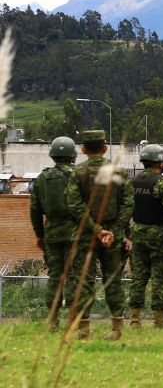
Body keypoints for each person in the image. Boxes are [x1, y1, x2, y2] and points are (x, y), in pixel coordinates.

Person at [66, 129, 134, 340]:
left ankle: (83, 329)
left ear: (83, 149)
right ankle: (116, 328)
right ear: (105, 148)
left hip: (86, 235)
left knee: (83, 281)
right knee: (112, 280)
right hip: (112, 236)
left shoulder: (77, 173)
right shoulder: (118, 173)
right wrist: (114, 231)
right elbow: (128, 203)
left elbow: (74, 205)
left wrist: (95, 229)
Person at [127, 145, 163, 329]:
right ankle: (159, 321)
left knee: (138, 278)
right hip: (160, 237)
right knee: (159, 278)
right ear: (161, 162)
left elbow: (124, 211)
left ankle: (135, 320)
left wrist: (129, 233)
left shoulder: (133, 182)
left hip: (138, 235)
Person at [29, 136, 78, 332]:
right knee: (74, 276)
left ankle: (52, 320)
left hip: (51, 234)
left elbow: (34, 210)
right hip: (74, 234)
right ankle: (74, 320)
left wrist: (40, 235)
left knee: (55, 277)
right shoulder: (77, 177)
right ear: (72, 155)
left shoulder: (42, 179)